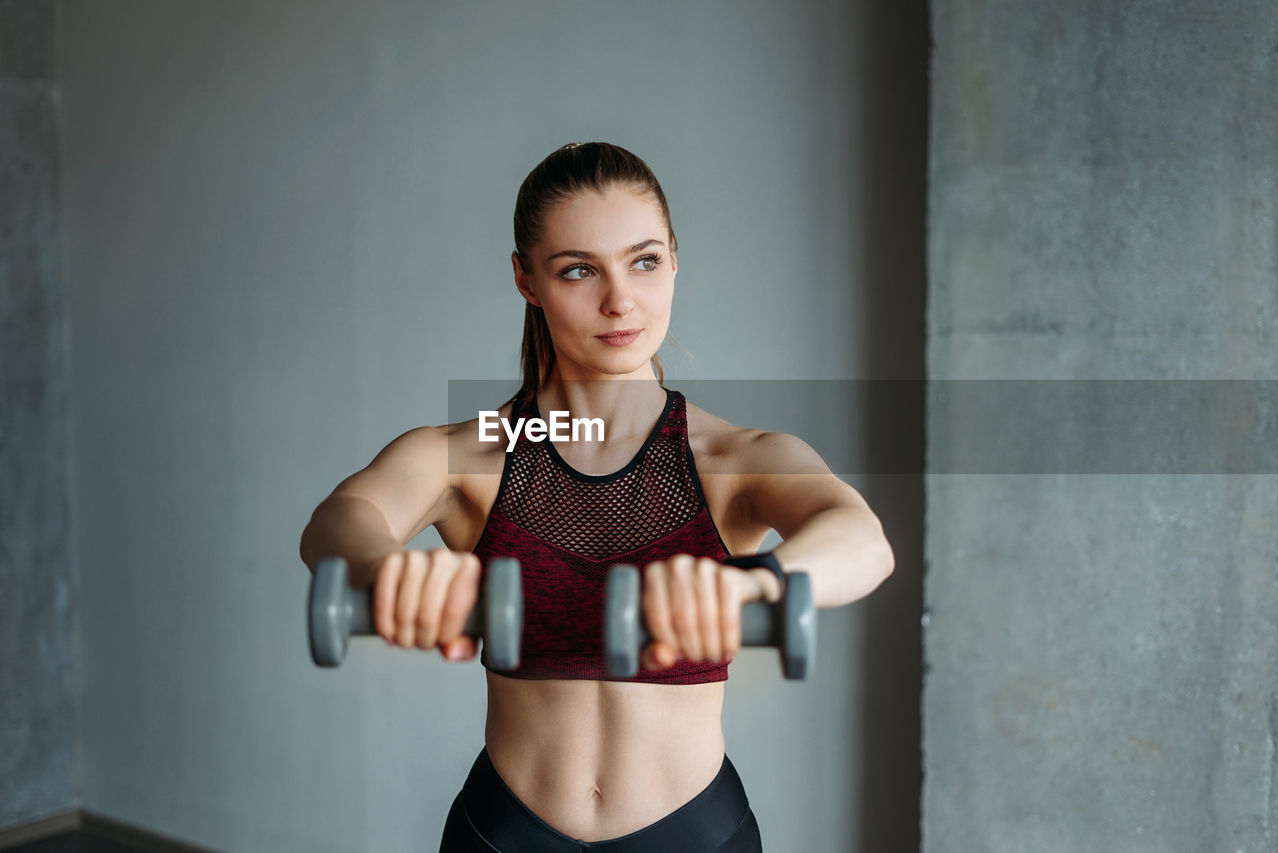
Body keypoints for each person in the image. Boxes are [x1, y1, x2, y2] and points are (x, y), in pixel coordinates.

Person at [298, 142, 895, 852]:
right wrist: (386, 569)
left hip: (694, 835)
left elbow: (860, 537)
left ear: (674, 258)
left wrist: (757, 585)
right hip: (507, 832)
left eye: (643, 261)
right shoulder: (468, 457)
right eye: (579, 270)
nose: (619, 299)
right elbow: (339, 519)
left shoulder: (738, 458)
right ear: (526, 279)